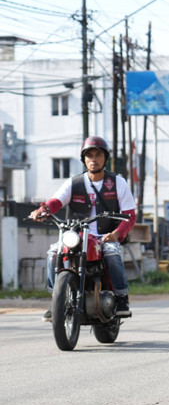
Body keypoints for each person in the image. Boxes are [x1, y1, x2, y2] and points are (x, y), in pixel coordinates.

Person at [30, 136, 136, 321]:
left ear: (105, 158)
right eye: (89, 156)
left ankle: (121, 297)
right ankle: (55, 298)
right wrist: (43, 209)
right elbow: (57, 201)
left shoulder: (118, 182)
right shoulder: (74, 183)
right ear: (84, 159)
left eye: (98, 155)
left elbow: (130, 215)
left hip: (104, 236)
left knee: (112, 253)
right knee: (53, 253)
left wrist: (117, 233)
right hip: (77, 235)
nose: (93, 159)